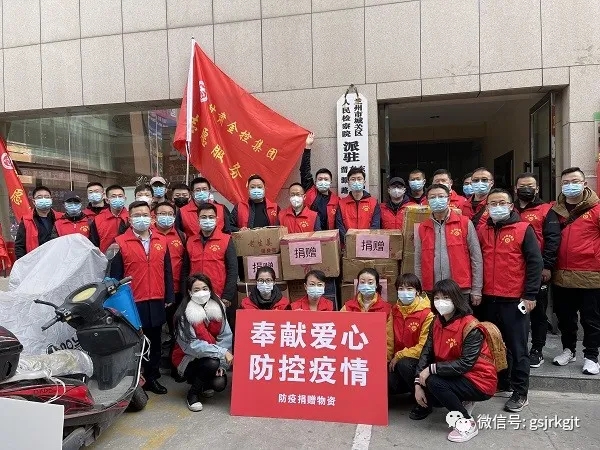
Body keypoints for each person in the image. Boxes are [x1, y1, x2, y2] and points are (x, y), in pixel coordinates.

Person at [477, 188, 542, 411]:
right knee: (495, 344)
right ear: (487, 208)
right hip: (488, 298)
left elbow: (535, 263)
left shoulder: (523, 229)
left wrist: (530, 294)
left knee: (517, 346)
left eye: (501, 203)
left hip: (514, 299)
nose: (497, 207)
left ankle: (520, 392)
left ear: (511, 206)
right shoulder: (482, 230)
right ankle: (503, 382)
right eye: (492, 204)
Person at [411, 279, 497, 443]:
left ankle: (466, 423)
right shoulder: (437, 321)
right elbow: (426, 352)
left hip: (480, 380)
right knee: (429, 394)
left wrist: (431, 369)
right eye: (437, 298)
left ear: (456, 299)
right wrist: (417, 383)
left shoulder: (471, 326)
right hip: (455, 373)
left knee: (433, 381)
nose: (440, 302)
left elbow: (465, 364)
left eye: (446, 298)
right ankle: (464, 400)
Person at [110, 201, 174, 395]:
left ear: (151, 218)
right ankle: (136, 381)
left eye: (145, 215)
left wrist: (169, 295)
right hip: (132, 301)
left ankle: (152, 377)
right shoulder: (120, 242)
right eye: (137, 215)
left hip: (156, 298)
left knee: (155, 341)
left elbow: (167, 271)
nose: (141, 218)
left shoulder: (161, 241)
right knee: (135, 343)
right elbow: (115, 277)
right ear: (129, 219)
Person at [551, 167, 600, 375]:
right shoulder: (555, 210)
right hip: (561, 274)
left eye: (575, 181)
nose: (570, 185)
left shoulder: (596, 209)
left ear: (584, 184)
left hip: (590, 274)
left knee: (591, 319)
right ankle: (568, 350)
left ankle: (591, 356)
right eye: (565, 182)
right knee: (565, 317)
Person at [513, 173, 561, 368]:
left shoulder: (546, 210)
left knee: (538, 311)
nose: (526, 189)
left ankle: (537, 349)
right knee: (516, 311)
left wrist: (547, 265)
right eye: (522, 185)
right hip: (513, 270)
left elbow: (553, 239)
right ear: (515, 188)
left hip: (537, 270)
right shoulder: (509, 208)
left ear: (537, 188)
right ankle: (517, 348)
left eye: (530, 185)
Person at [415, 184, 483, 308]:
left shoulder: (464, 223)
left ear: (448, 199)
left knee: (460, 320)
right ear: (428, 201)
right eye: (432, 197)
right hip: (432, 290)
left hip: (460, 289)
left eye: (441, 196)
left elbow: (476, 258)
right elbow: (418, 261)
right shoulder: (423, 227)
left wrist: (477, 289)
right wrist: (419, 289)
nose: (437, 200)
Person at [172, 274, 233, 412]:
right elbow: (191, 346)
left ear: (210, 289)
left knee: (219, 383)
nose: (201, 292)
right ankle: (192, 394)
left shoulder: (219, 308)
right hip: (188, 358)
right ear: (189, 292)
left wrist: (222, 365)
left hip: (213, 357)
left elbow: (226, 336)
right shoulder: (183, 314)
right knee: (211, 363)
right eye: (196, 290)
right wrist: (221, 353)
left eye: (205, 288)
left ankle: (204, 384)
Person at [181, 203, 238, 331]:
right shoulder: (190, 241)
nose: (207, 220)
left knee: (220, 329)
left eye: (211, 217)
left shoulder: (225, 239)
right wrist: (185, 293)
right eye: (203, 217)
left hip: (218, 293)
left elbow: (233, 269)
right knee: (199, 330)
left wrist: (227, 295)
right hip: (196, 294)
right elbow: (185, 270)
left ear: (216, 219)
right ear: (198, 220)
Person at [388, 273, 434, 398]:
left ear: (417, 291)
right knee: (386, 381)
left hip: (418, 362)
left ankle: (424, 397)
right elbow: (389, 339)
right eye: (401, 289)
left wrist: (399, 355)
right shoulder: (394, 310)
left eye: (409, 289)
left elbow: (424, 347)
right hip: (396, 361)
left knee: (404, 364)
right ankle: (410, 390)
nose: (405, 292)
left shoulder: (427, 314)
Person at [152, 202, 187, 350]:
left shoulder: (181, 235)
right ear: (154, 216)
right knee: (154, 329)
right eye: (162, 214)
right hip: (155, 290)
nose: (166, 217)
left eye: (170, 214)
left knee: (176, 326)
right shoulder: (148, 234)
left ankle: (175, 355)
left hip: (177, 290)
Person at [300, 132, 339, 231]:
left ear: (330, 182)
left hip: (328, 236)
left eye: (326, 179)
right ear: (315, 181)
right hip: (309, 234)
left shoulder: (337, 200)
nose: (323, 181)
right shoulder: (309, 189)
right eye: (320, 179)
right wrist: (308, 147)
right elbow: (304, 170)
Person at [15, 186, 62, 259]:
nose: (44, 199)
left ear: (51, 200)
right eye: (39, 197)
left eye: (46, 197)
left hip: (57, 260)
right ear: (34, 201)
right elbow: (19, 246)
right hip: (36, 261)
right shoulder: (27, 220)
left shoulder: (60, 218)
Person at [335, 166, 380, 240]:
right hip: (348, 243)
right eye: (353, 179)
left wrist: (365, 241)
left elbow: (375, 225)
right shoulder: (341, 203)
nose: (356, 182)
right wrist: (349, 241)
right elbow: (339, 226)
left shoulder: (373, 202)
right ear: (348, 182)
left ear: (364, 182)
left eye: (359, 179)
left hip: (367, 243)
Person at [89, 184, 129, 253]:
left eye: (120, 196)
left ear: (125, 199)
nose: (117, 199)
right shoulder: (98, 219)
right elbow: (94, 243)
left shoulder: (131, 218)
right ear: (107, 200)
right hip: (105, 257)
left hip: (128, 256)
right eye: (113, 196)